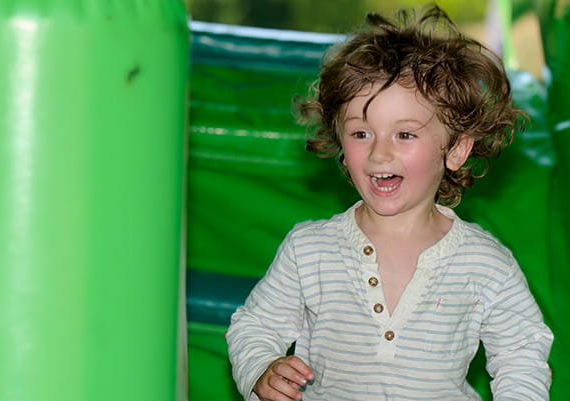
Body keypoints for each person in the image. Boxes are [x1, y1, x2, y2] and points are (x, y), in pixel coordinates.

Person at [226, 6, 553, 401]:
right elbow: (254, 326)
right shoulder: (309, 250)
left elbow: (522, 351)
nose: (380, 154)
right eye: (361, 133)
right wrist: (261, 368)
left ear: (455, 150)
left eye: (405, 135)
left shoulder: (484, 264)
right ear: (340, 145)